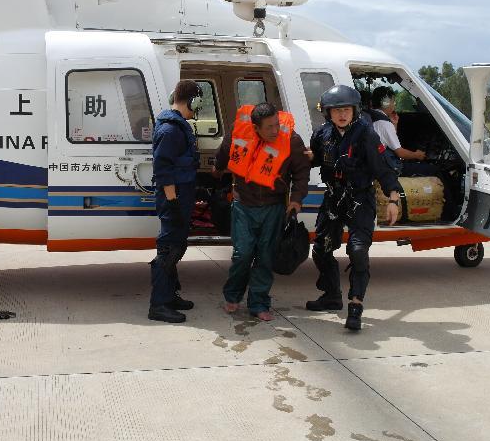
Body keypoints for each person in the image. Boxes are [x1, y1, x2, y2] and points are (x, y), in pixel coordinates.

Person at [307, 85, 404, 331]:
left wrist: (393, 199)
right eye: (337, 110)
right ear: (328, 112)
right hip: (333, 199)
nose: (342, 115)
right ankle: (331, 296)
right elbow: (314, 159)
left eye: (347, 110)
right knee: (320, 249)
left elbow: (383, 169)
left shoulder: (367, 135)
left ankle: (355, 305)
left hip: (360, 199)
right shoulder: (322, 135)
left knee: (358, 250)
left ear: (354, 111)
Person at [213, 102, 310, 321]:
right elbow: (222, 156)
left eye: (277, 124)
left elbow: (302, 173)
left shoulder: (292, 140)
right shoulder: (237, 134)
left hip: (273, 208)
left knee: (266, 257)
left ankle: (258, 303)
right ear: (256, 128)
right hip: (243, 205)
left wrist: (296, 200)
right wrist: (218, 170)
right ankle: (232, 295)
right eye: (269, 127)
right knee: (243, 254)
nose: (275, 131)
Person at [148, 80, 202, 324]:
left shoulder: (178, 126)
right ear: (193, 101)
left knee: (176, 247)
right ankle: (158, 305)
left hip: (180, 197)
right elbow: (163, 168)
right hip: (174, 199)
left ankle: (170, 296)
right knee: (168, 250)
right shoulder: (170, 130)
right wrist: (172, 203)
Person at [365, 86, 426, 170]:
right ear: (385, 103)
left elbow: (389, 140)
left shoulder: (369, 116)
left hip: (372, 162)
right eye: (393, 101)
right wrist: (417, 155)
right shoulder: (384, 123)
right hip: (381, 167)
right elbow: (400, 153)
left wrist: (394, 124)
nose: (395, 104)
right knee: (431, 169)